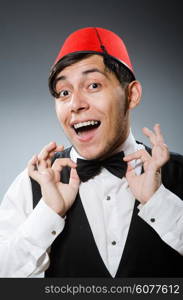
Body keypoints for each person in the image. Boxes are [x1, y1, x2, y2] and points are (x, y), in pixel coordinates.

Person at [0, 27, 183, 278]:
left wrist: (160, 202)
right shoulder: (34, 183)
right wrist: (48, 212)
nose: (75, 104)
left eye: (93, 85)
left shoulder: (179, 173)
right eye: (64, 92)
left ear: (131, 94)